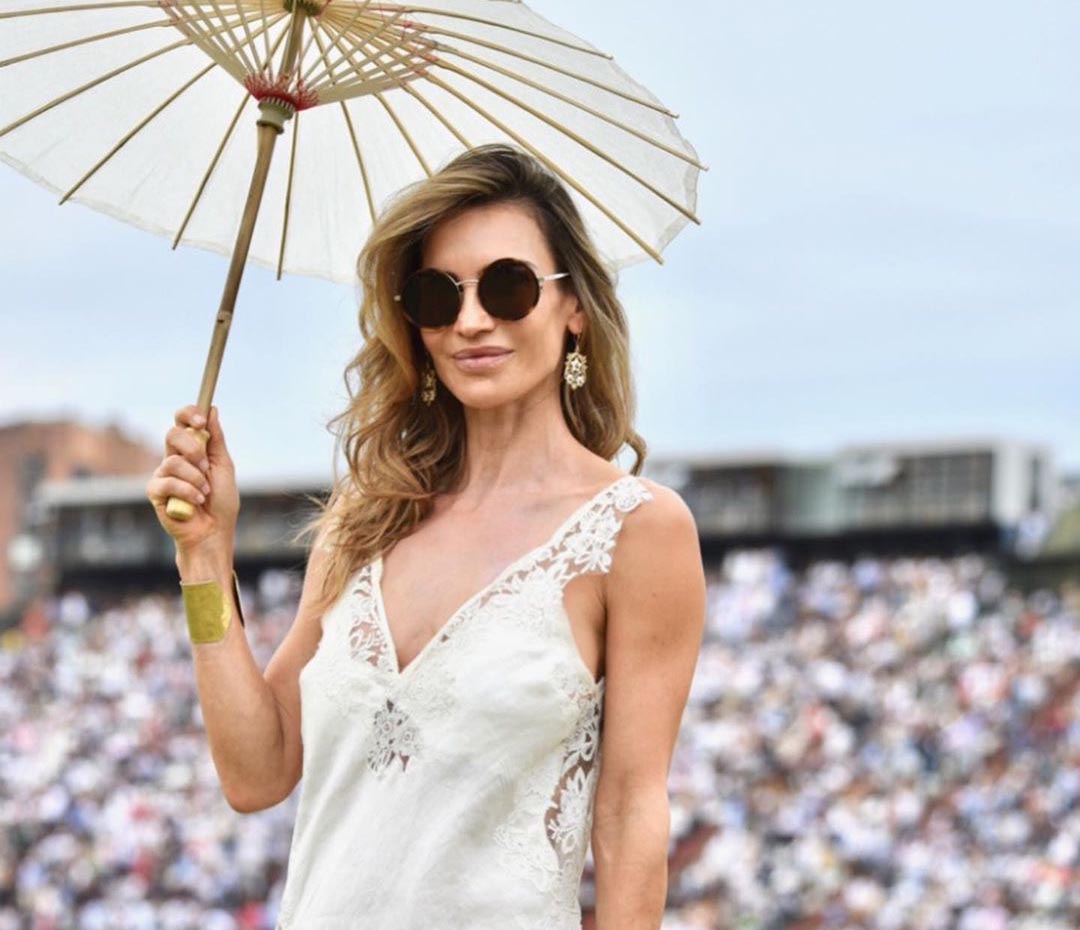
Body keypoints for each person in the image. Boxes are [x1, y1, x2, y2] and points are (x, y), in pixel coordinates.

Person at [146, 143, 706, 930]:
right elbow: (256, 772)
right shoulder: (365, 517)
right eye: (437, 295)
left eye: (508, 286)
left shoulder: (639, 530)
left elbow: (629, 815)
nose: (471, 320)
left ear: (574, 306)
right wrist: (203, 557)